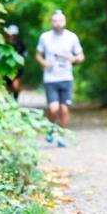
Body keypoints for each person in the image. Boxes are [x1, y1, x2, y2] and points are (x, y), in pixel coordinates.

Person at [36, 10, 84, 147]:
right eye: (55, 21)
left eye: (60, 21)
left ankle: (62, 136)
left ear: (65, 21)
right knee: (53, 108)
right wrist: (44, 63)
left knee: (64, 109)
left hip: (66, 78)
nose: (58, 23)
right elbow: (38, 55)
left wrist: (74, 58)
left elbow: (81, 56)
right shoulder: (44, 37)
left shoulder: (72, 37)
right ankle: (51, 129)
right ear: (51, 22)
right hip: (50, 78)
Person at [4, 24, 27, 101]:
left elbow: (24, 56)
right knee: (7, 86)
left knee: (16, 85)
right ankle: (7, 101)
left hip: (17, 68)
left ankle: (15, 100)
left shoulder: (20, 44)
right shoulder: (4, 43)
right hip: (5, 68)